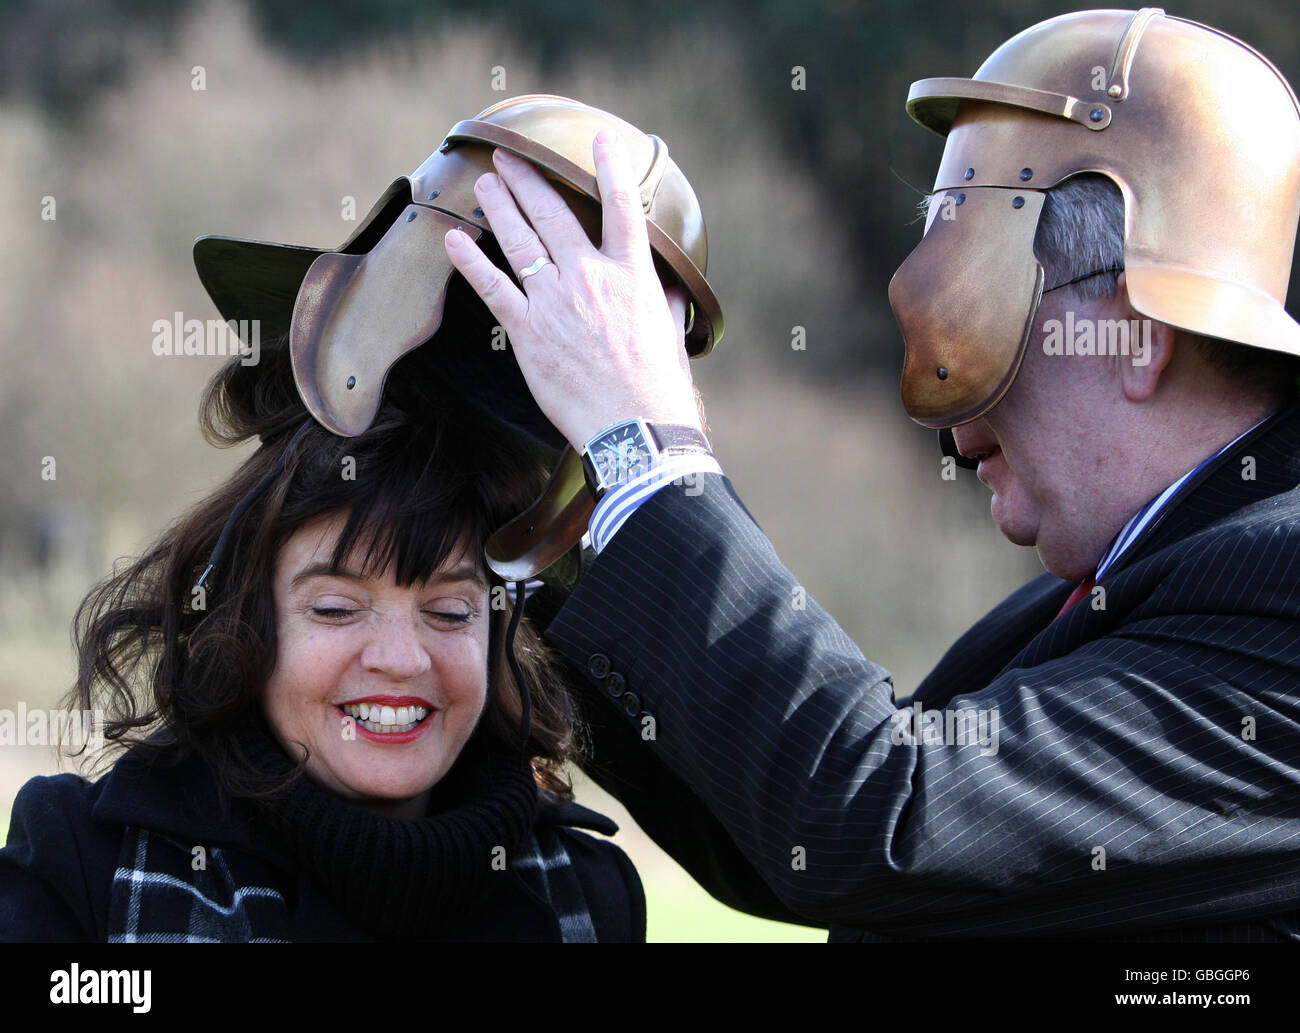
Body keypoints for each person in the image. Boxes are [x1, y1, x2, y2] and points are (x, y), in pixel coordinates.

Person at [444, 8, 1300, 940]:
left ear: (1137, 334)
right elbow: (781, 840)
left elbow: (876, 817)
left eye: (971, 330)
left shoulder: (1278, 587)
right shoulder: (1112, 592)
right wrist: (528, 493)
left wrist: (645, 448)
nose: (952, 430)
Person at [0, 256, 645, 944]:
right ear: (248, 619)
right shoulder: (83, 867)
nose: (400, 659)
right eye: (336, 608)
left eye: (450, 611)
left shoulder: (589, 890)